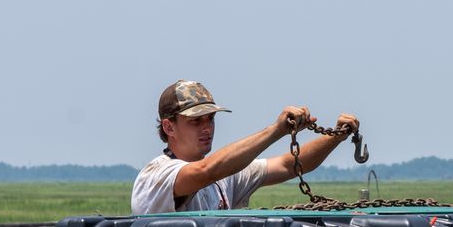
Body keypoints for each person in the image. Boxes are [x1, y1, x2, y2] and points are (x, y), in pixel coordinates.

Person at [131, 79, 359, 215]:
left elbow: (288, 165)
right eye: (196, 121)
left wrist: (336, 137)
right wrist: (275, 130)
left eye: (211, 119)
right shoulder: (156, 176)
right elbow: (205, 171)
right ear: (169, 127)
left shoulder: (224, 178)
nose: (207, 128)